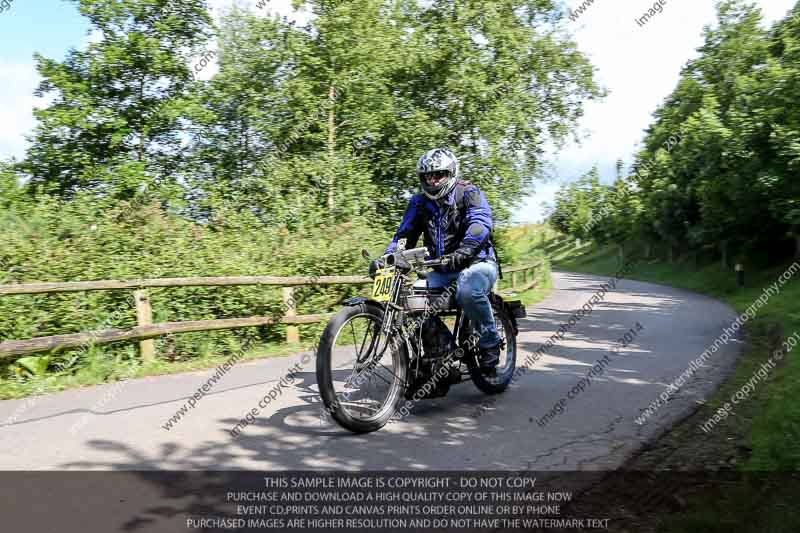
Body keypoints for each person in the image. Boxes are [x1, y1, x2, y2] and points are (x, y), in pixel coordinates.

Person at [370, 147, 502, 370]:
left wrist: (465, 250)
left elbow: (480, 223)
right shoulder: (419, 203)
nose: (432, 181)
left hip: (478, 263)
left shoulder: (468, 193)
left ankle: (490, 343)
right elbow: (404, 236)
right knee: (409, 299)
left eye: (437, 175)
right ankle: (442, 347)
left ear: (451, 173)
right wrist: (387, 259)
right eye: (427, 176)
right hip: (441, 269)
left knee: (467, 290)